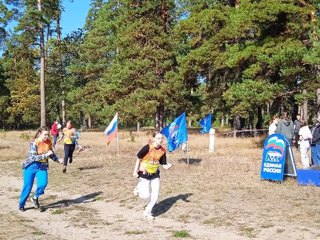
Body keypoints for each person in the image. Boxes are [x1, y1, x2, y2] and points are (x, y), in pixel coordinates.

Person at [18, 126, 61, 211]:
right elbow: (33, 157)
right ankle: (21, 204)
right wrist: (46, 155)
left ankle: (35, 197)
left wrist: (58, 160)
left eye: (48, 135)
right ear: (40, 134)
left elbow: (51, 154)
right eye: (45, 135)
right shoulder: (34, 143)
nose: (46, 137)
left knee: (43, 184)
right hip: (31, 166)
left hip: (42, 166)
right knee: (28, 186)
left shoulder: (48, 142)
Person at [133, 131, 172, 220]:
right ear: (154, 138)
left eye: (161, 138)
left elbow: (164, 164)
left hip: (155, 174)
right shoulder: (147, 147)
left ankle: (148, 212)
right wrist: (135, 171)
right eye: (158, 138)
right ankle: (138, 188)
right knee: (145, 195)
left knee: (155, 195)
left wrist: (168, 166)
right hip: (144, 174)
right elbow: (138, 158)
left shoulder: (162, 150)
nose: (160, 140)